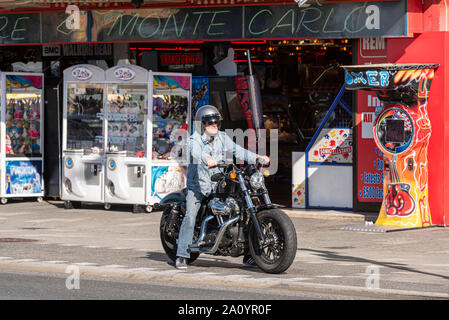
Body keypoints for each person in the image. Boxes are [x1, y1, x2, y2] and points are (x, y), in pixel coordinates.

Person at [175, 105, 269, 270]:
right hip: (198, 188)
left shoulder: (222, 137)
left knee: (243, 211)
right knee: (190, 216)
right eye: (210, 122)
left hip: (218, 184)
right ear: (201, 124)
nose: (214, 125)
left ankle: (250, 255)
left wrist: (257, 157)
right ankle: (182, 255)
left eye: (216, 122)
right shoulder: (193, 140)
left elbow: (238, 151)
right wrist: (207, 158)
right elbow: (196, 152)